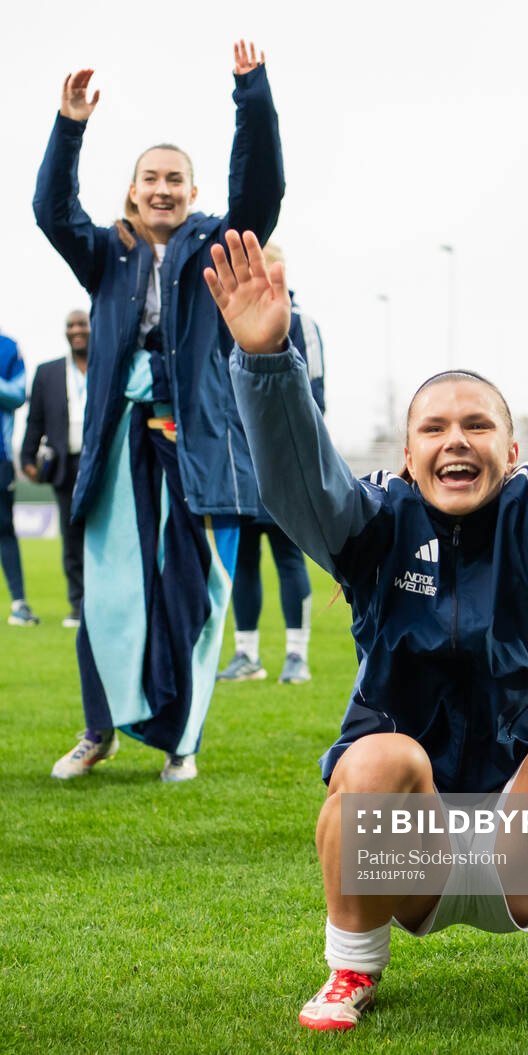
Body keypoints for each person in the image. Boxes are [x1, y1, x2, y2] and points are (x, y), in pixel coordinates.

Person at [206, 225, 528, 1035]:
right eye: (434, 427)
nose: (455, 440)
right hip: (408, 852)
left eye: (476, 425)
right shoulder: (373, 523)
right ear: (406, 452)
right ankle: (351, 971)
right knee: (375, 759)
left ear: (512, 444)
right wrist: (266, 362)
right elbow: (298, 483)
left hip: (524, 847)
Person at [34, 42, 283, 783]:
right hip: (118, 446)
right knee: (109, 592)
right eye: (151, 179)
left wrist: (252, 99)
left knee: (195, 599)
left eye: (175, 178)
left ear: (193, 189)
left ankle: (184, 740)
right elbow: (50, 209)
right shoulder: (105, 252)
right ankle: (98, 731)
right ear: (134, 190)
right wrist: (68, 125)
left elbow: (262, 189)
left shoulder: (217, 244)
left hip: (201, 446)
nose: (163, 189)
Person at [217, 244, 324, 685]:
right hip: (238, 465)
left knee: (289, 559)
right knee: (243, 561)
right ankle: (247, 655)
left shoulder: (302, 324)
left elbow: (315, 394)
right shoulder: (226, 320)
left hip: (284, 463)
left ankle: (296, 657)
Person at [21, 310, 90, 627]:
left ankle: (108, 602)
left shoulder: (108, 365)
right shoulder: (47, 373)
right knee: (72, 537)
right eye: (71, 326)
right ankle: (78, 604)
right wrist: (27, 458)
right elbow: (35, 420)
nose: (77, 330)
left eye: (82, 325)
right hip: (65, 465)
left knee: (107, 536)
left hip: (102, 463)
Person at [0, 330, 38, 626]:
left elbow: (16, 395)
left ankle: (19, 603)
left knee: (4, 529)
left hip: (0, 456)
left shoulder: (8, 347)